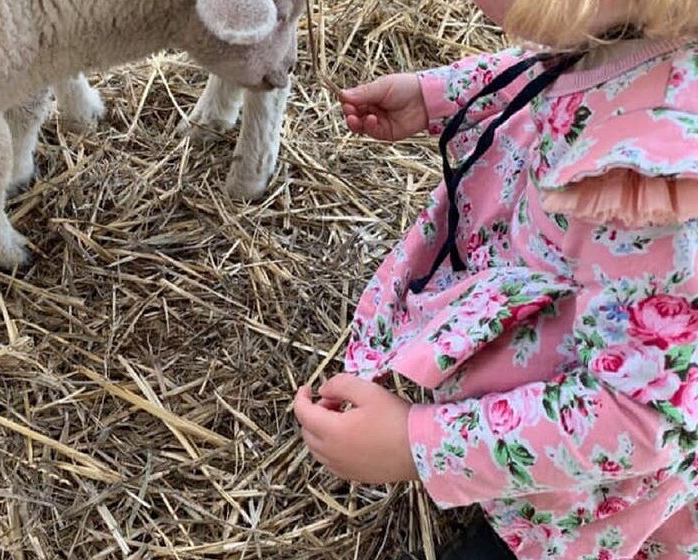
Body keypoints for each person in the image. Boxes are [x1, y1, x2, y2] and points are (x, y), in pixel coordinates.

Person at [293, 0, 698, 558]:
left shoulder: (655, 179)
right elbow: (559, 64)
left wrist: (416, 446)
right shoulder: (638, 26)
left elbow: (638, 417)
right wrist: (442, 94)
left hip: (583, 490)